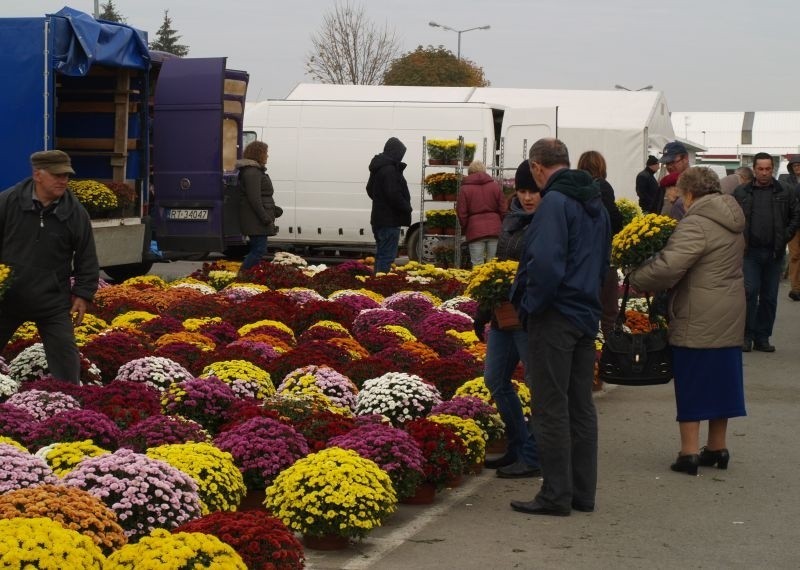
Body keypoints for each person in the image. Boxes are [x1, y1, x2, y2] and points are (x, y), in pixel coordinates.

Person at [509, 138, 611, 517]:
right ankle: (582, 493)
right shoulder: (594, 202)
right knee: (580, 406)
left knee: (550, 407)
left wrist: (532, 306)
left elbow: (547, 264)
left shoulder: (555, 201)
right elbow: (603, 261)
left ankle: (555, 495)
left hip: (556, 315)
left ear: (537, 167)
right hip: (585, 312)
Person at [629, 167, 747, 475]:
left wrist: (637, 276)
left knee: (693, 381)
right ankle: (718, 447)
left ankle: (690, 452)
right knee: (722, 382)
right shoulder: (731, 217)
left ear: (691, 193)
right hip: (729, 310)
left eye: (681, 195)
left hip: (699, 311)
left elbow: (671, 266)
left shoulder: (697, 223)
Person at [0, 150, 99, 384]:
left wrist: (83, 295)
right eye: (56, 175)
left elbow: (87, 256)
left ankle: (69, 408)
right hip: (6, 298)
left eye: (66, 175)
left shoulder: (75, 212)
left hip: (52, 302)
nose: (63, 180)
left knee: (66, 360)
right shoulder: (7, 201)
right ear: (37, 174)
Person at [475, 159, 542, 479]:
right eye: (523, 191)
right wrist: (484, 309)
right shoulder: (511, 218)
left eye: (534, 191)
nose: (528, 197)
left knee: (536, 383)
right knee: (495, 379)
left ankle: (533, 453)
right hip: (503, 314)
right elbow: (498, 266)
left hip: (529, 315)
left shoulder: (547, 221)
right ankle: (517, 445)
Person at [733, 152, 800, 351]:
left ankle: (763, 338)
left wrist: (785, 236)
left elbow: (796, 215)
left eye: (768, 169)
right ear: (754, 169)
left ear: (773, 169)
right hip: (750, 253)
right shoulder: (741, 192)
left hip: (774, 253)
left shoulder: (785, 191)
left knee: (770, 297)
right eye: (760, 169)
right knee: (750, 292)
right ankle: (746, 336)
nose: (764, 173)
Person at [577, 151, 624, 339]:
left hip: (581, 256)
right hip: (603, 254)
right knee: (608, 310)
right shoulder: (602, 186)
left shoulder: (576, 188)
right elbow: (613, 217)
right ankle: (610, 353)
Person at [366, 137, 412, 274]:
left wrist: (380, 201)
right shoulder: (390, 170)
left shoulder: (378, 168)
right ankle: (380, 286)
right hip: (390, 220)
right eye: (400, 153)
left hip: (379, 218)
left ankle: (376, 282)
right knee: (387, 256)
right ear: (395, 152)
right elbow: (394, 195)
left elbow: (370, 189)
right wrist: (406, 207)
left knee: (381, 254)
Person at [236, 140, 279, 274]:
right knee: (258, 250)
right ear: (258, 154)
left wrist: (274, 209)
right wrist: (265, 217)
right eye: (265, 153)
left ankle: (249, 276)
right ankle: (242, 275)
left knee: (259, 250)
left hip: (257, 219)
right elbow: (254, 198)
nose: (267, 156)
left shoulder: (254, 171)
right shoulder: (252, 172)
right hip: (256, 220)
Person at [456, 160, 508, 267]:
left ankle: (478, 284)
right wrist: (501, 225)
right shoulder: (495, 186)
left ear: (470, 173)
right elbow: (503, 209)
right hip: (495, 230)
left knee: (477, 264)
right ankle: (492, 284)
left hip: (475, 230)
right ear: (484, 171)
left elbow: (461, 212)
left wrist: (466, 228)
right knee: (493, 265)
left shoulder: (464, 189)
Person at [778, 155, 800, 300]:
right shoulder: (786, 182)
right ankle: (796, 289)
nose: (797, 167)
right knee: (795, 255)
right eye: (794, 165)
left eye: (799, 164)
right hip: (794, 224)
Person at [660, 141, 691, 220]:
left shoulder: (698, 183)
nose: (669, 167)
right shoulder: (666, 184)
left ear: (686, 158)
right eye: (667, 163)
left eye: (673, 162)